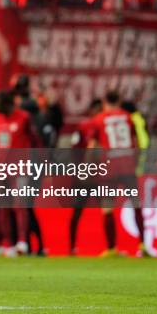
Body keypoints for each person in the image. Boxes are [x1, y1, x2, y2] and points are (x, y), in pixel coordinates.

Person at [88, 91, 148, 257]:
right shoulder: (128, 117)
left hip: (109, 169)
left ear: (104, 101)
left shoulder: (98, 119)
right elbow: (136, 143)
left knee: (107, 207)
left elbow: (92, 146)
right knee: (136, 204)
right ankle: (142, 246)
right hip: (128, 167)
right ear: (120, 100)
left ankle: (112, 248)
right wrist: (135, 162)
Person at [0, 91, 38, 257]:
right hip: (1, 169)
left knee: (20, 205)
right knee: (2, 207)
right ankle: (7, 243)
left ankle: (22, 242)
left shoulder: (24, 117)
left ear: (8, 104)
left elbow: (35, 140)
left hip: (21, 168)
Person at [69, 98, 102, 255]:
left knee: (107, 210)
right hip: (85, 176)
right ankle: (72, 247)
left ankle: (111, 247)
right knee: (77, 210)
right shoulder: (83, 127)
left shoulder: (105, 126)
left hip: (101, 175)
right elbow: (74, 150)